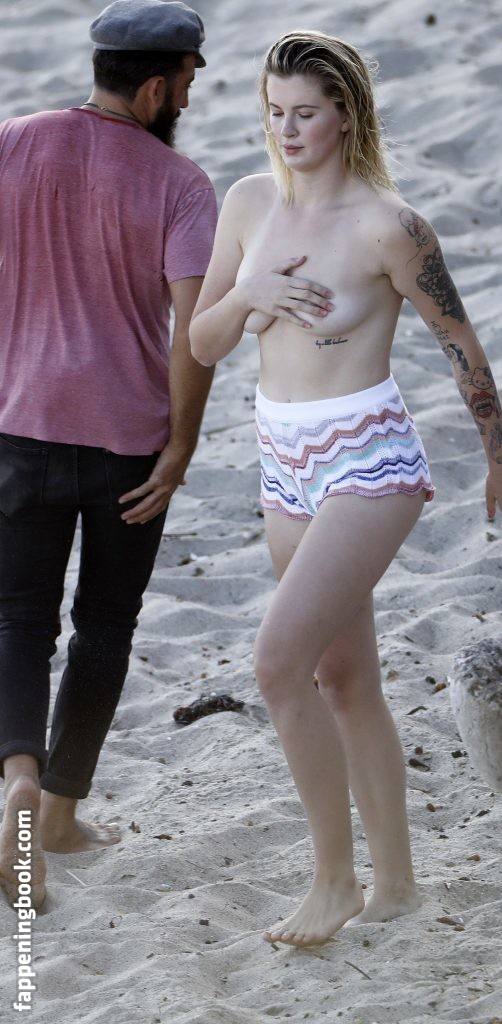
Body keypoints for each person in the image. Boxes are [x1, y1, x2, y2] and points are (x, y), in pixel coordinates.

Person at [189, 29, 502, 947]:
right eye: (273, 112)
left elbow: (459, 342)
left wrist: (500, 458)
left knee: (277, 664)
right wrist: (250, 293)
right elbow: (202, 343)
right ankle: (398, 886)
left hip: (366, 461)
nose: (286, 129)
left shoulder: (390, 226)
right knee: (344, 679)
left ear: (344, 115)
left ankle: (333, 881)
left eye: (304, 113)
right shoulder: (248, 203)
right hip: (281, 460)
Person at [0, 0, 216, 908]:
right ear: (158, 87)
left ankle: (16, 777)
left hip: (20, 423)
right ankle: (57, 813)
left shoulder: (12, 142)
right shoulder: (181, 184)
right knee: (105, 625)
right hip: (129, 443)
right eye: (189, 84)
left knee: (17, 621)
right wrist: (182, 445)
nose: (188, 101)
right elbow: (194, 334)